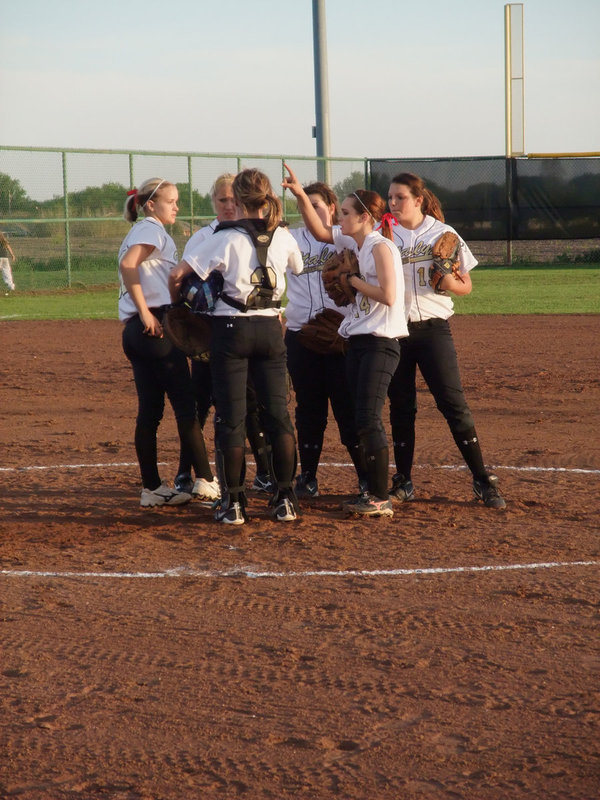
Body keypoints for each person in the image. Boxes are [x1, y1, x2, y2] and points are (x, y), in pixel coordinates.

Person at [169, 168, 304, 526]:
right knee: (278, 415)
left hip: (231, 329)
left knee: (231, 419)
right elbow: (299, 267)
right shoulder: (284, 237)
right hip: (271, 329)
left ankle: (234, 505)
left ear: (239, 200)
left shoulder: (224, 238)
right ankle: (285, 498)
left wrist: (177, 309)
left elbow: (177, 275)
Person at [282, 164, 407, 517]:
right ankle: (373, 491)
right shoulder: (355, 241)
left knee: (366, 418)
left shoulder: (381, 247)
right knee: (361, 417)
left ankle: (379, 495)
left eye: (347, 212)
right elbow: (320, 230)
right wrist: (301, 196)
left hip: (381, 341)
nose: (340, 217)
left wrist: (351, 280)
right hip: (359, 339)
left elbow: (389, 294)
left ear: (365, 217)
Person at [386, 172, 506, 509]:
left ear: (418, 200)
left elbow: (466, 286)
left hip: (433, 330)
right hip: (396, 331)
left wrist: (448, 283)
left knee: (453, 405)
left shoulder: (443, 233)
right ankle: (404, 481)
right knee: (401, 408)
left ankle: (482, 479)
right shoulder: (384, 235)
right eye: (391, 198)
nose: (394, 204)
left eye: (400, 198)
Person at [173, 173, 276, 498]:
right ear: (213, 202)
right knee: (201, 404)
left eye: (234, 199)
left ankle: (264, 473)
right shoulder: (204, 236)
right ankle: (185, 473)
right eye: (222, 200)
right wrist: (182, 316)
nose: (229, 205)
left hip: (240, 331)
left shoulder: (254, 235)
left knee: (250, 404)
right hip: (207, 335)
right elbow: (183, 281)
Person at [118, 177, 218, 508]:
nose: (176, 206)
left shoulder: (146, 230)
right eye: (170, 201)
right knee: (186, 406)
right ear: (150, 205)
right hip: (154, 327)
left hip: (135, 332)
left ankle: (151, 488)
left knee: (150, 411)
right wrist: (147, 313)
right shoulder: (150, 229)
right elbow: (128, 264)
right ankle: (205, 479)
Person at [285, 181, 368, 498]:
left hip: (341, 336)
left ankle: (364, 477)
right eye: (307, 205)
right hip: (302, 335)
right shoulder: (289, 239)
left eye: (318, 204)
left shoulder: (345, 239)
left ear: (332, 208)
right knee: (308, 410)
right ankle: (307, 478)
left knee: (349, 409)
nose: (312, 210)